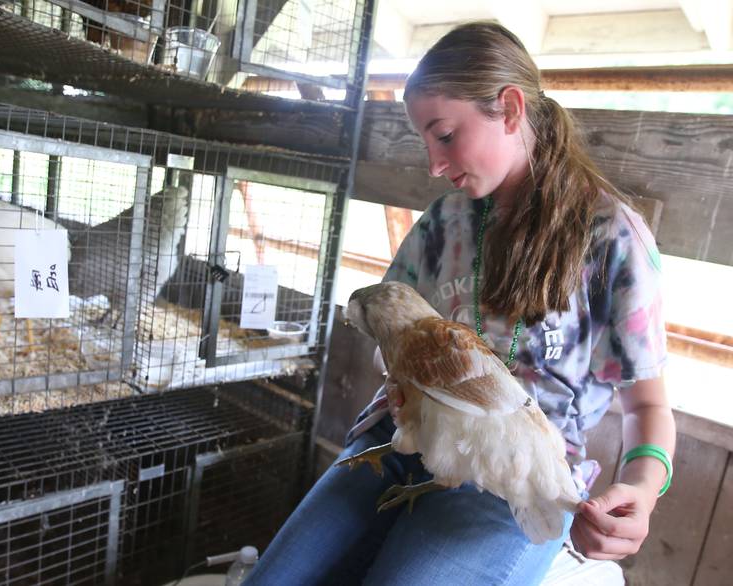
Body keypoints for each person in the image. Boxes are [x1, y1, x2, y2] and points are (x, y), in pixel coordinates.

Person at [244, 21, 676, 586]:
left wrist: (641, 491)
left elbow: (647, 409)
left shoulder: (611, 239)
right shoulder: (443, 223)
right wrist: (401, 376)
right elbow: (389, 335)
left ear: (511, 109)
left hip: (510, 473)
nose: (434, 165)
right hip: (399, 441)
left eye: (444, 135)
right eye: (426, 142)